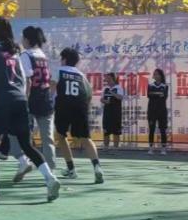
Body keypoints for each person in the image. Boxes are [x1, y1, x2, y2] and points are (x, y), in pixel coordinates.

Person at [0, 17, 61, 202]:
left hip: (1, 101)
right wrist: (22, 100)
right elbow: (23, 78)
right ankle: (50, 178)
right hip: (20, 100)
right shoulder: (14, 49)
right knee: (26, 145)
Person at [11, 25, 58, 183]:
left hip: (32, 100)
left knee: (19, 134)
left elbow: (28, 80)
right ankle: (50, 171)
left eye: (23, 37)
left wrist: (24, 100)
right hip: (46, 99)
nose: (21, 40)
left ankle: (24, 162)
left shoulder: (26, 55)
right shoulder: (43, 55)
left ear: (27, 39)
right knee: (47, 138)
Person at [53, 47, 105, 183]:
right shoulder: (81, 75)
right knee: (86, 138)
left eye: (61, 58)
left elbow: (52, 89)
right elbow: (89, 94)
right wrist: (84, 108)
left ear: (64, 59)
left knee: (60, 136)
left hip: (63, 105)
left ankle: (71, 169)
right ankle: (97, 167)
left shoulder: (59, 71)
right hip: (80, 106)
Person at [147, 68, 170, 155]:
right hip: (152, 110)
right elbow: (149, 95)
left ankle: (163, 149)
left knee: (163, 129)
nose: (156, 76)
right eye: (154, 74)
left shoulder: (165, 86)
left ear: (161, 76)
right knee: (151, 129)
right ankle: (150, 148)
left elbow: (164, 96)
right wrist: (158, 94)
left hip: (162, 110)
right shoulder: (150, 85)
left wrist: (155, 94)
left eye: (157, 74)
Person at [101, 72, 124, 149]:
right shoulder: (105, 88)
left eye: (108, 78)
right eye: (106, 78)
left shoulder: (118, 88)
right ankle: (106, 147)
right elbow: (102, 99)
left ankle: (115, 148)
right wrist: (105, 101)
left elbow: (120, 97)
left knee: (116, 131)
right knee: (106, 131)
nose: (106, 79)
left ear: (112, 78)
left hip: (116, 113)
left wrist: (112, 93)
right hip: (107, 112)